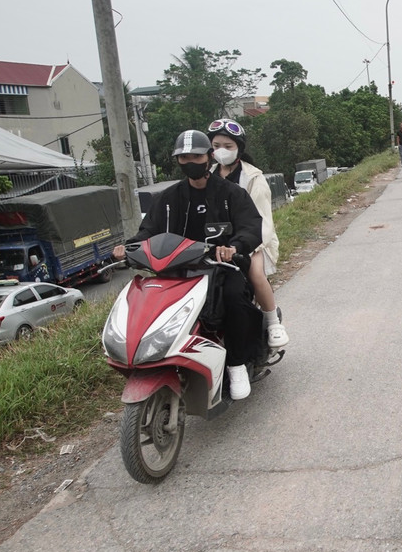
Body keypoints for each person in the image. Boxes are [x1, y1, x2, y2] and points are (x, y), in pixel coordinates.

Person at [112, 130, 265, 399]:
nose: (190, 162)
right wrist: (129, 247)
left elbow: (251, 227)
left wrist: (234, 247)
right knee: (149, 300)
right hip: (176, 271)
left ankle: (237, 364)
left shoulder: (232, 194)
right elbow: (148, 231)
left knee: (234, 297)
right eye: (184, 158)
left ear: (209, 157)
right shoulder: (167, 198)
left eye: (196, 156)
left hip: (220, 269)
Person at [208, 118, 289, 349]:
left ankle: (273, 322)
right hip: (216, 244)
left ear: (239, 149)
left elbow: (262, 222)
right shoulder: (208, 176)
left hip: (252, 241)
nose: (221, 151)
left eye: (228, 146)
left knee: (254, 273)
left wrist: (243, 245)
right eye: (216, 146)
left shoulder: (254, 179)